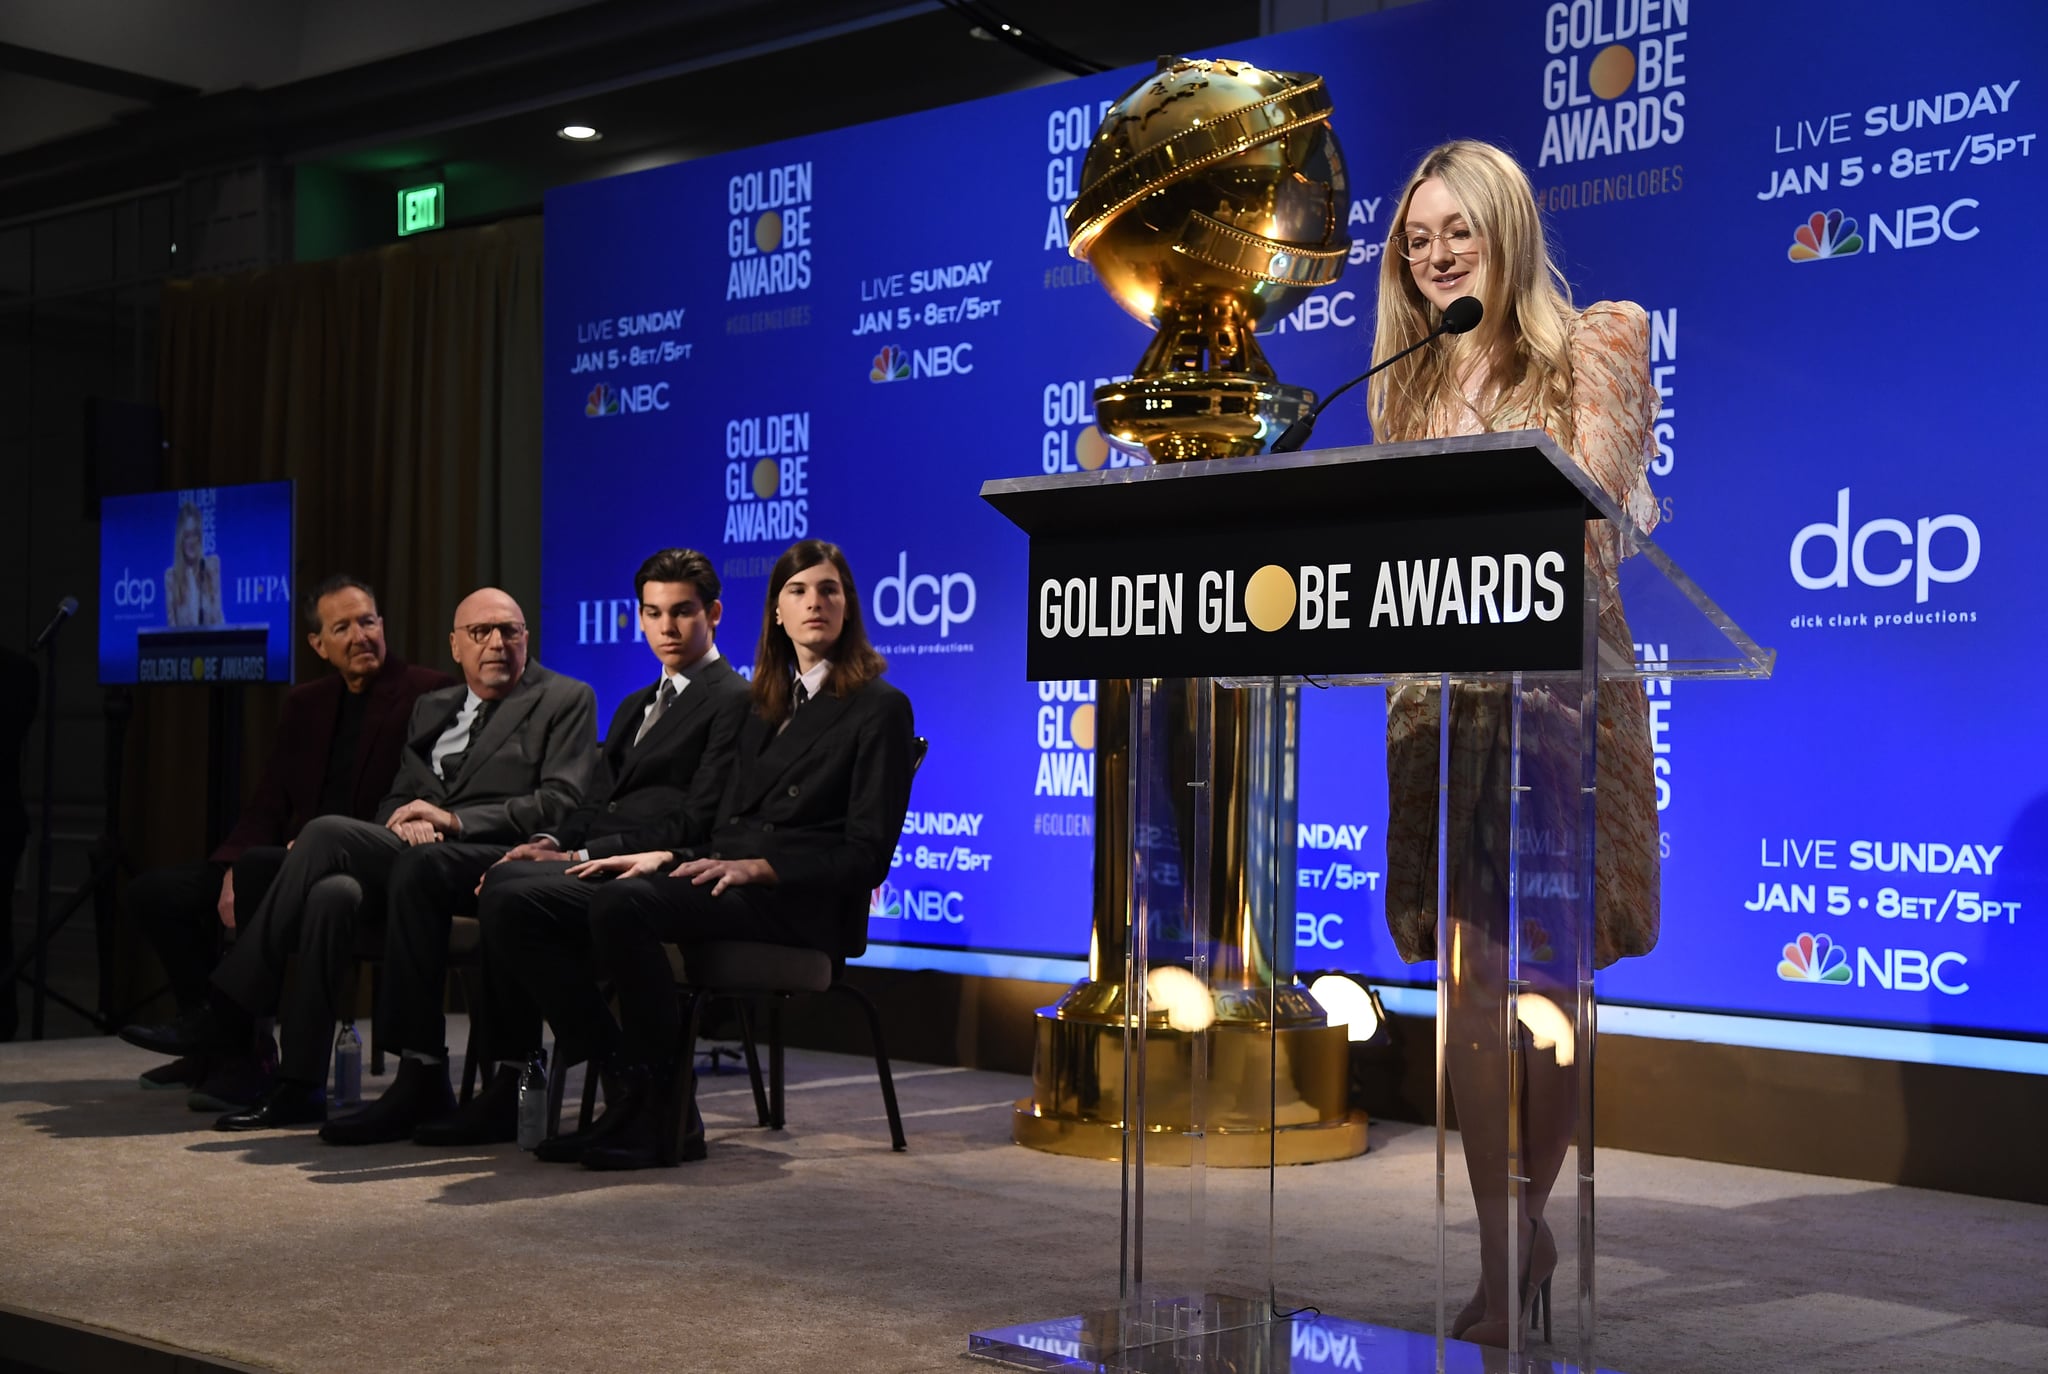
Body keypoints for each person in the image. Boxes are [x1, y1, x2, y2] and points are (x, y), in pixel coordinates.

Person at [1370, 140, 1661, 1349]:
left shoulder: (1598, 337)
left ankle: (1525, 1230)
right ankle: (1499, 1251)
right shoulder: (1400, 381)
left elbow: (1590, 504)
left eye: (1458, 231)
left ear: (1507, 230)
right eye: (1416, 239)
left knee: (1549, 984)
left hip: (1557, 711)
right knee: (1466, 986)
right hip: (1440, 711)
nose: (1435, 255)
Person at [121, 587, 598, 1135]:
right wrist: (405, 818)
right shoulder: (435, 707)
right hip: (416, 847)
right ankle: (299, 1086)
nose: (496, 643)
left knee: (322, 834)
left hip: (491, 852)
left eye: (508, 631)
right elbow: (399, 794)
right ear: (455, 646)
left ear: (526, 638)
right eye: (480, 633)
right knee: (329, 894)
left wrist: (453, 821)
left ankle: (227, 1012)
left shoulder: (565, 697)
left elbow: (560, 799)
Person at [524, 539, 915, 1171]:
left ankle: (662, 1109)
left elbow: (867, 856)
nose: (815, 602)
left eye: (829, 590)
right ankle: (637, 1096)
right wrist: (666, 854)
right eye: (798, 591)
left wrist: (764, 867)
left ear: (849, 607)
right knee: (610, 894)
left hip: (800, 904)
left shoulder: (880, 707)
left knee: (625, 907)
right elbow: (723, 827)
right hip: (732, 880)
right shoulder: (765, 703)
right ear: (777, 614)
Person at [403, 548, 752, 1147]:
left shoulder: (734, 700)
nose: (666, 627)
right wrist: (547, 842)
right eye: (653, 612)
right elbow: (593, 800)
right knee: (503, 876)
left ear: (714, 613)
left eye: (682, 612)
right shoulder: (635, 703)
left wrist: (583, 856)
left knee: (509, 899)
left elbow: (699, 818)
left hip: (660, 867)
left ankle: (605, 1076)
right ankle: (533, 1079)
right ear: (639, 617)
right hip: (600, 856)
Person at [120, 576, 452, 1107]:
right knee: (158, 894)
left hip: (361, 858)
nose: (360, 636)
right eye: (342, 627)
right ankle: (217, 1046)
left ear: (382, 625)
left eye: (367, 621)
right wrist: (230, 863)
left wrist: (297, 851)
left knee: (262, 872)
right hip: (283, 854)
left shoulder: (429, 692)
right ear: (318, 645)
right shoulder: (307, 703)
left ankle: (235, 1045)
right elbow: (269, 800)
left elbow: (420, 793)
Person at [164, 501, 225, 627]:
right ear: (180, 539)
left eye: (195, 534)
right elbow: (172, 629)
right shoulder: (171, 578)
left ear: (200, 537)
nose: (192, 541)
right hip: (183, 646)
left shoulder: (211, 567)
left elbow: (218, 619)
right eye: (187, 536)